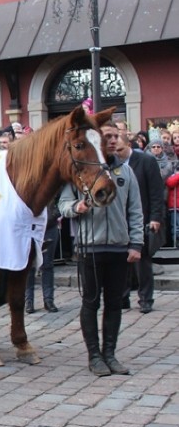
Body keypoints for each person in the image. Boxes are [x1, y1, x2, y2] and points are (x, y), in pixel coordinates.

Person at [58, 122, 143, 377]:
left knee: (115, 304)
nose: (114, 140)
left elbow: (135, 210)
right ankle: (94, 356)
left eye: (117, 136)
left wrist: (136, 243)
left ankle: (110, 354)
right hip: (90, 247)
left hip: (118, 247)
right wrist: (76, 208)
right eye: (108, 136)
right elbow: (62, 205)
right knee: (91, 302)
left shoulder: (125, 173)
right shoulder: (80, 169)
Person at [116, 133, 164, 313]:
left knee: (142, 262)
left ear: (129, 145)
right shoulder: (113, 163)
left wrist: (155, 218)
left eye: (120, 149)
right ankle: (122, 297)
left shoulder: (146, 161)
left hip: (142, 218)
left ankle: (145, 299)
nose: (117, 153)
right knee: (121, 262)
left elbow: (156, 192)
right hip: (120, 220)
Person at [25, 199, 61, 313]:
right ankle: (28, 300)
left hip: (49, 225)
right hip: (30, 225)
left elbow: (62, 199)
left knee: (47, 264)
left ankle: (48, 299)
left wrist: (55, 213)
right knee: (29, 265)